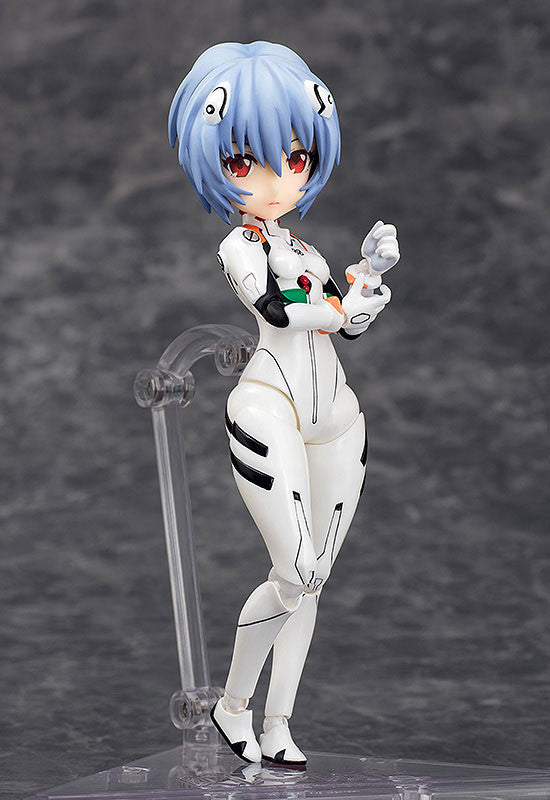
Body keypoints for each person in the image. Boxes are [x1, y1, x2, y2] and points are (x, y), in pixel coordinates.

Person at [168, 41, 399, 767]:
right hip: (269, 408)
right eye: (245, 162)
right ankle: (232, 707)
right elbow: (276, 308)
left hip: (336, 417)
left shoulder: (304, 248)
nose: (276, 179)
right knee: (293, 571)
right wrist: (336, 308)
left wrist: (368, 280)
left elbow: (342, 321)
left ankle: (278, 724)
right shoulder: (240, 246)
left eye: (295, 157)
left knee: (313, 579)